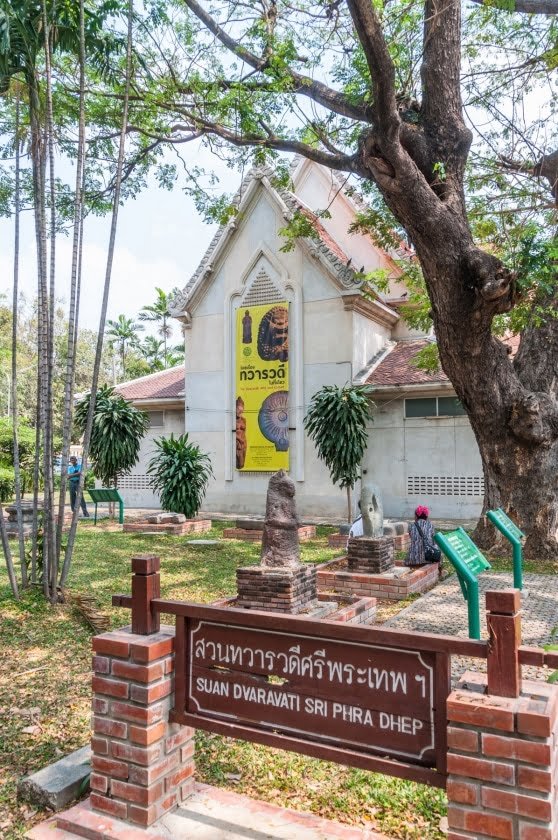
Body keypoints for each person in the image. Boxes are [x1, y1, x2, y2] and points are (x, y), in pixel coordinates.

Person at [406, 505, 440, 572]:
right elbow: (434, 541)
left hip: (413, 558)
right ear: (426, 516)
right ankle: (439, 570)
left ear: (416, 516)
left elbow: (412, 538)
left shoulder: (411, 526)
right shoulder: (430, 525)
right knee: (437, 547)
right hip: (428, 557)